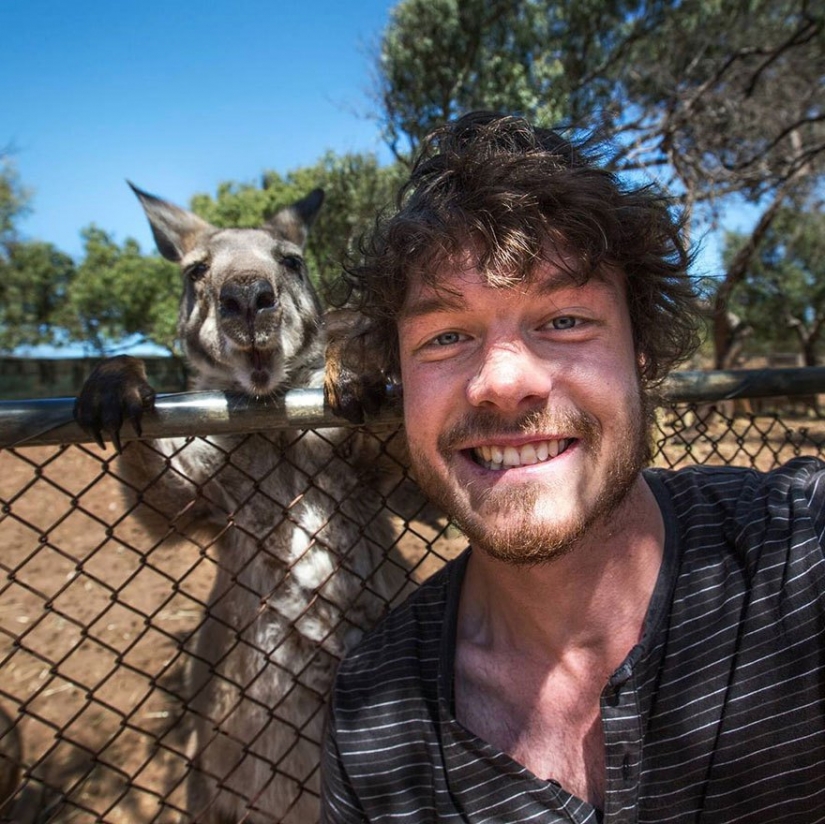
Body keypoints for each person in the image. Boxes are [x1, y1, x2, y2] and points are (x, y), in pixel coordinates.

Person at [320, 111, 825, 823]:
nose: (500, 381)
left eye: (562, 320)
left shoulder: (800, 553)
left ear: (639, 353)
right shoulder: (372, 720)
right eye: (445, 335)